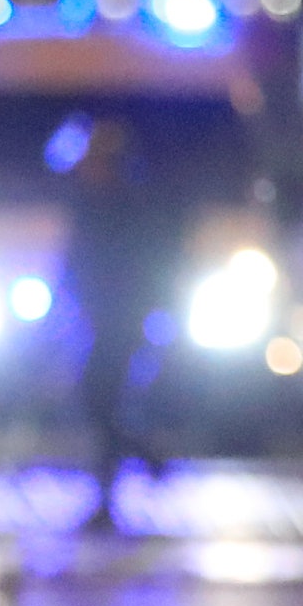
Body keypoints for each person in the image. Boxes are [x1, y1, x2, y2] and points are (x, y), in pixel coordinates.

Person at [62, 118, 191, 526]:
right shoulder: (92, 201)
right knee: (100, 401)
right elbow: (75, 259)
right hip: (100, 316)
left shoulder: (126, 205)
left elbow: (143, 262)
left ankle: (116, 490)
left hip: (120, 318)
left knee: (102, 399)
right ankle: (139, 463)